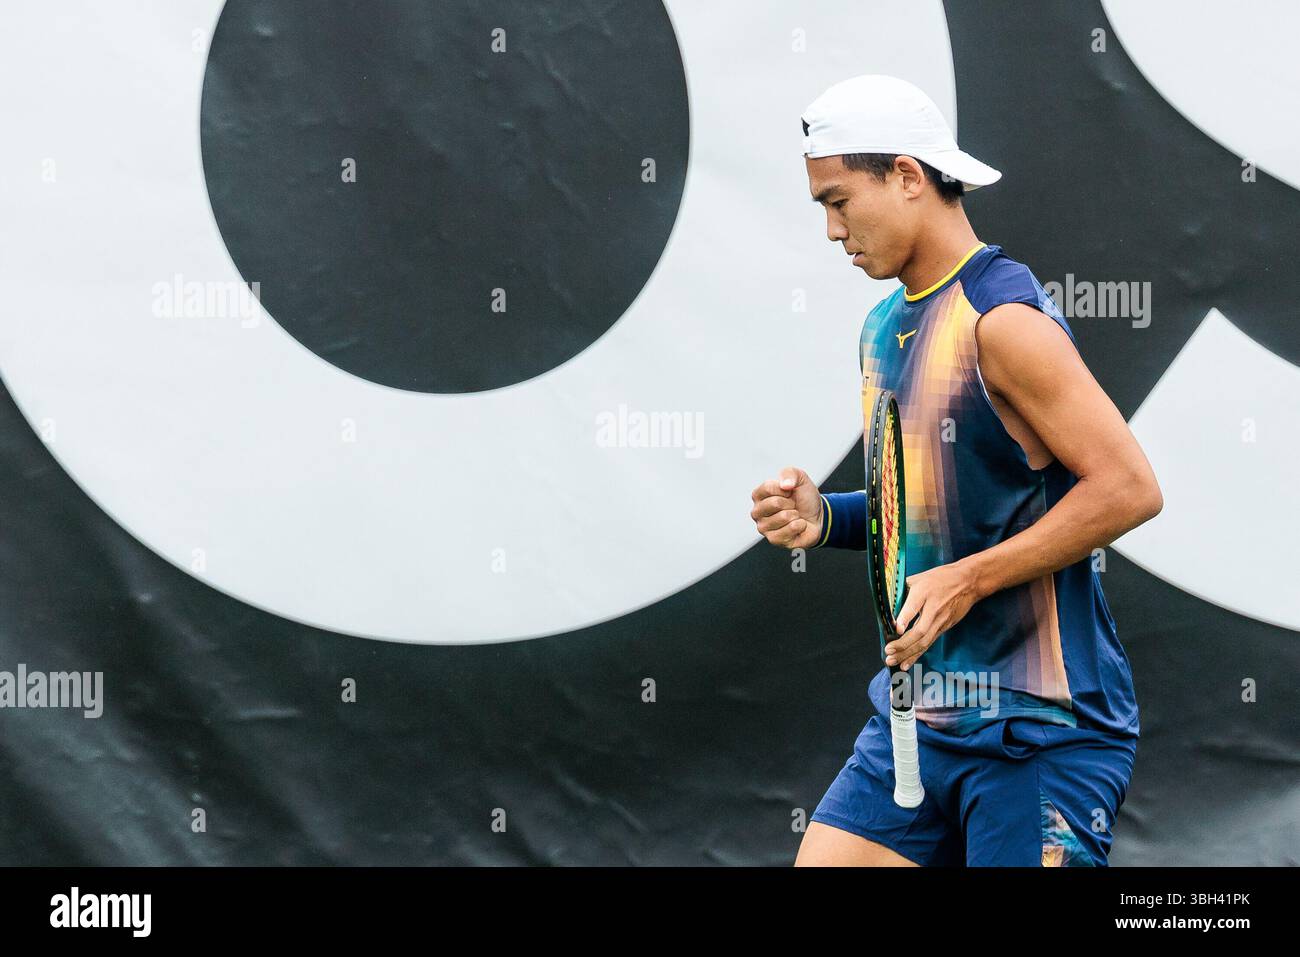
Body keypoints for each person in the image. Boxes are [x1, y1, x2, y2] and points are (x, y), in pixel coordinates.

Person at [750, 75, 1163, 866]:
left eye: (838, 202)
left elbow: (1129, 487)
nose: (832, 231)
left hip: (1042, 735)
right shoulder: (881, 326)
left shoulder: (1006, 322)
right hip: (917, 721)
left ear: (907, 177)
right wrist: (828, 518)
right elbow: (933, 504)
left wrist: (971, 579)